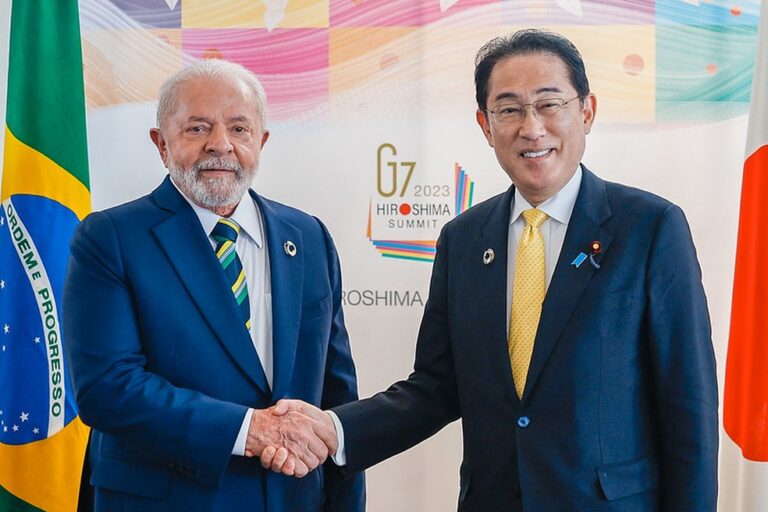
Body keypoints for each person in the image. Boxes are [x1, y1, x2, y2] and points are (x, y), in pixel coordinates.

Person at [263, 29, 719, 511]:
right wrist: (334, 430)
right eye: (509, 109)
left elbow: (688, 406)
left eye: (549, 104)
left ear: (586, 111)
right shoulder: (463, 239)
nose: (532, 128)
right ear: (485, 125)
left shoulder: (650, 227)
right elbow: (435, 388)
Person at [62, 59, 364, 511]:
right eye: (198, 128)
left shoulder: (308, 237)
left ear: (261, 141)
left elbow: (335, 397)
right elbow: (106, 388)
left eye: (239, 129)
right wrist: (250, 429)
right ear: (162, 144)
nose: (220, 144)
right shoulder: (111, 238)